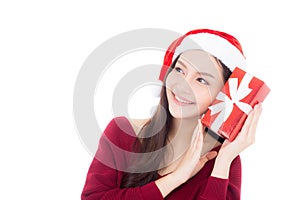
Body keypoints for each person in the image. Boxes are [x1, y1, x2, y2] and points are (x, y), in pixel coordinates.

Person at [81, 29, 263, 199]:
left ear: (223, 95)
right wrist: (176, 178)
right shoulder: (123, 132)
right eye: (179, 70)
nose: (182, 85)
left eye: (201, 80)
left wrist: (222, 163)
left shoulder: (224, 159)